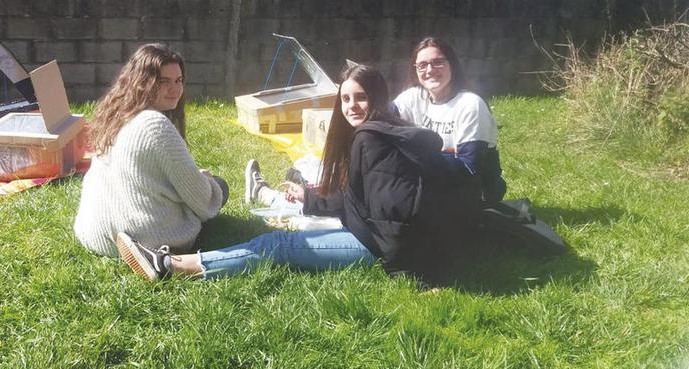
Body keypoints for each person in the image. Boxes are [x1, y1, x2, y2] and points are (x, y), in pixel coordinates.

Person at [116, 64, 472, 283]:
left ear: (377, 97)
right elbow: (366, 200)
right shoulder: (380, 130)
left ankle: (169, 265)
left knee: (277, 245)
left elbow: (389, 217)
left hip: (380, 248)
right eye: (345, 99)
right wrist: (312, 200)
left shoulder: (370, 137)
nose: (351, 107)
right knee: (294, 223)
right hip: (378, 234)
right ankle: (267, 198)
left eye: (360, 97)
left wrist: (412, 271)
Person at [73, 43, 227, 257]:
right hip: (144, 240)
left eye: (179, 81)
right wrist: (208, 181)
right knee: (219, 187)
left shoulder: (114, 116)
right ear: (142, 83)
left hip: (95, 233)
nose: (175, 90)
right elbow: (202, 200)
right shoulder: (154, 125)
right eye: (164, 82)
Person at [392, 37, 506, 206]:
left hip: (473, 192)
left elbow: (469, 167)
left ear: (452, 64)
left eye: (438, 62)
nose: (429, 70)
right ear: (415, 70)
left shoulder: (470, 105)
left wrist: (417, 153)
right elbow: (381, 121)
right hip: (430, 183)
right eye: (422, 65)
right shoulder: (414, 97)